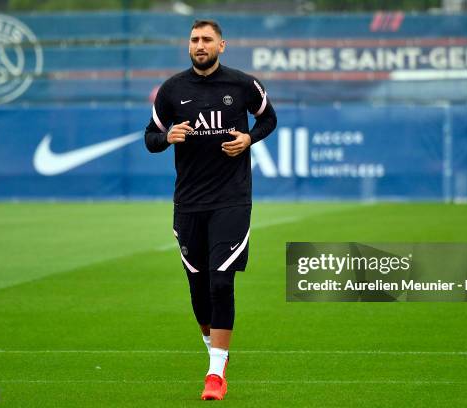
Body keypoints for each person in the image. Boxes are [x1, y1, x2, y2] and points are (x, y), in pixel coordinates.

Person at [144, 19, 277, 401]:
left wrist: (249, 138)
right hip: (188, 203)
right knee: (199, 287)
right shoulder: (172, 90)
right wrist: (167, 136)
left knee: (222, 280)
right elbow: (149, 138)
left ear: (222, 45)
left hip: (232, 199)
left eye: (206, 40)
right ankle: (216, 352)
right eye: (194, 40)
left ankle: (215, 373)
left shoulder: (243, 85)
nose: (199, 45)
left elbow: (269, 118)